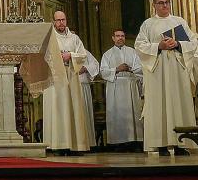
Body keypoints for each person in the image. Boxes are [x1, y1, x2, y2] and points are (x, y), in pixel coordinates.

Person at [135, 0, 198, 155]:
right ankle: (161, 144)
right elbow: (139, 46)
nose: (165, 5)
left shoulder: (179, 22)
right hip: (157, 73)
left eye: (167, 2)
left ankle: (180, 144)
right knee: (159, 105)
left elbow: (194, 43)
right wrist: (158, 46)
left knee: (178, 103)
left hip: (177, 71)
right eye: (161, 3)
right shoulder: (148, 24)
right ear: (154, 5)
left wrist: (178, 44)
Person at [44, 10, 94, 153]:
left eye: (63, 20)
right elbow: (44, 55)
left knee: (73, 109)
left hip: (71, 75)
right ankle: (58, 145)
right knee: (58, 108)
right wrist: (58, 57)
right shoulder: (50, 37)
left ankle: (75, 145)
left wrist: (70, 55)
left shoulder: (74, 38)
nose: (61, 23)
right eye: (58, 20)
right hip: (55, 77)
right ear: (53, 22)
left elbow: (83, 55)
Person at [99, 29, 143, 149]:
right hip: (115, 86)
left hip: (130, 85)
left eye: (122, 36)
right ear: (113, 38)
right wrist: (117, 69)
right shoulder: (107, 54)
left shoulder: (133, 52)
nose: (120, 38)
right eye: (117, 36)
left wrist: (130, 69)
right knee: (117, 113)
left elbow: (140, 68)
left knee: (133, 113)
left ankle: (135, 141)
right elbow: (102, 72)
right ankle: (118, 143)